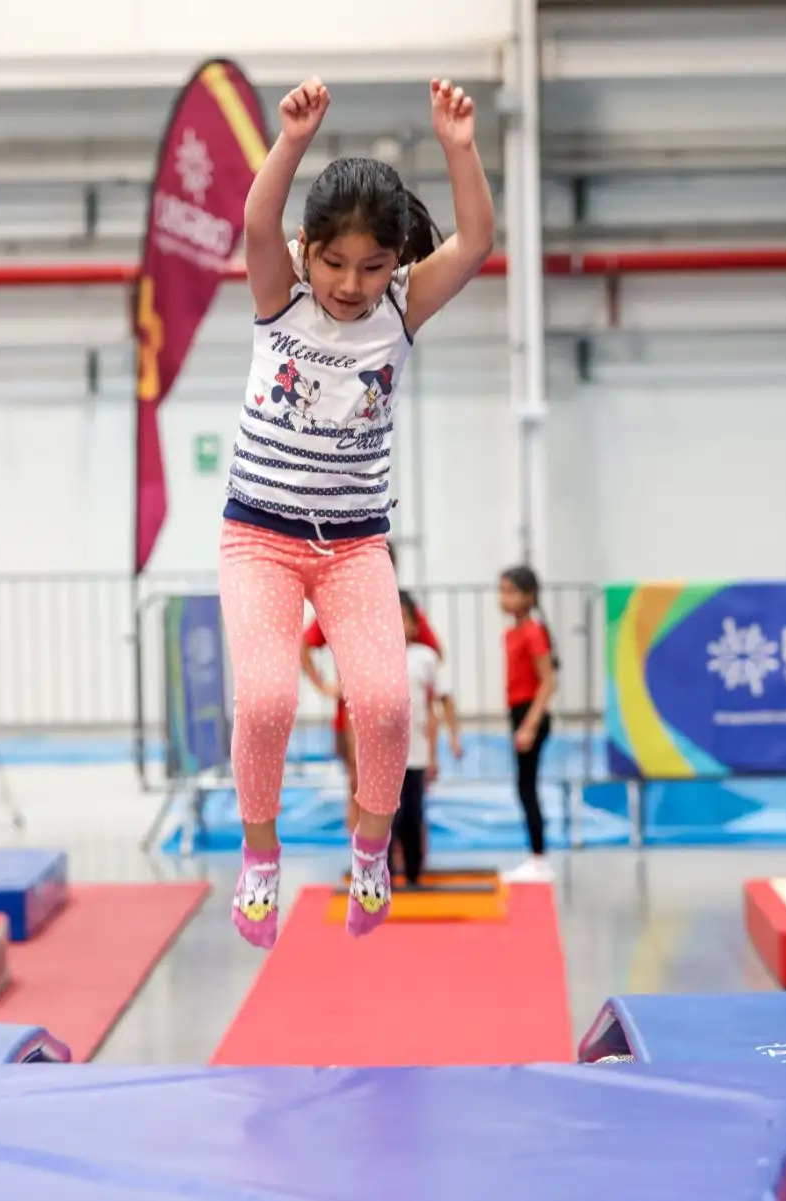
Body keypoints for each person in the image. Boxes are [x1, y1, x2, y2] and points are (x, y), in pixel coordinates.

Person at [220, 75, 495, 949]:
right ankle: (259, 861)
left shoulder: (404, 307)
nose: (351, 283)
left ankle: (370, 854)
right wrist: (290, 141)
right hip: (259, 537)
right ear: (310, 252)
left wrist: (458, 146)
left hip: (354, 548)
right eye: (336, 262)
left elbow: (478, 243)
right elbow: (257, 225)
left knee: (382, 705)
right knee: (264, 701)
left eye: (373, 266)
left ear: (396, 263)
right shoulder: (282, 294)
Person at [299, 542, 445, 850]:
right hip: (352, 715)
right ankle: (363, 857)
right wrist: (325, 686)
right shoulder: (340, 604)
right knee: (358, 785)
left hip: (396, 714)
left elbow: (433, 653)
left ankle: (405, 859)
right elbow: (305, 645)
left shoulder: (403, 608)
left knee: (406, 790)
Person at [498, 564, 558, 882]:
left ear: (529, 596)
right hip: (518, 712)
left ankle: (539, 858)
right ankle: (535, 856)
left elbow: (548, 681)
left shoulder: (533, 632)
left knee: (527, 787)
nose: (504, 598)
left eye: (511, 592)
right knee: (523, 787)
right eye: (502, 591)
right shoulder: (512, 632)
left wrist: (530, 725)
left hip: (530, 713)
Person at [397, 590, 460, 887]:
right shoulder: (371, 658)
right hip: (382, 758)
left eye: (403, 619)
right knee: (384, 820)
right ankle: (379, 878)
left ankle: (412, 874)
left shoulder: (425, 658)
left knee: (412, 815)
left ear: (413, 624)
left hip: (416, 754)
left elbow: (444, 701)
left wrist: (451, 740)